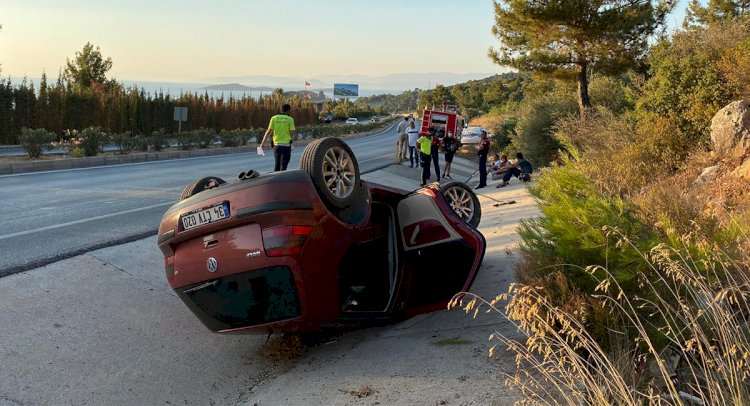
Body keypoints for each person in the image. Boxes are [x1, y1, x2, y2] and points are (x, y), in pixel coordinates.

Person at [260, 104, 296, 171]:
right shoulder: (290, 119)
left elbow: (268, 132)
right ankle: (282, 180)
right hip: (286, 146)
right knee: (284, 166)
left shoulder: (274, 118)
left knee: (277, 165)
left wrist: (262, 144)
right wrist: (290, 140)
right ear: (288, 111)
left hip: (276, 146)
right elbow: (292, 132)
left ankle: (276, 180)